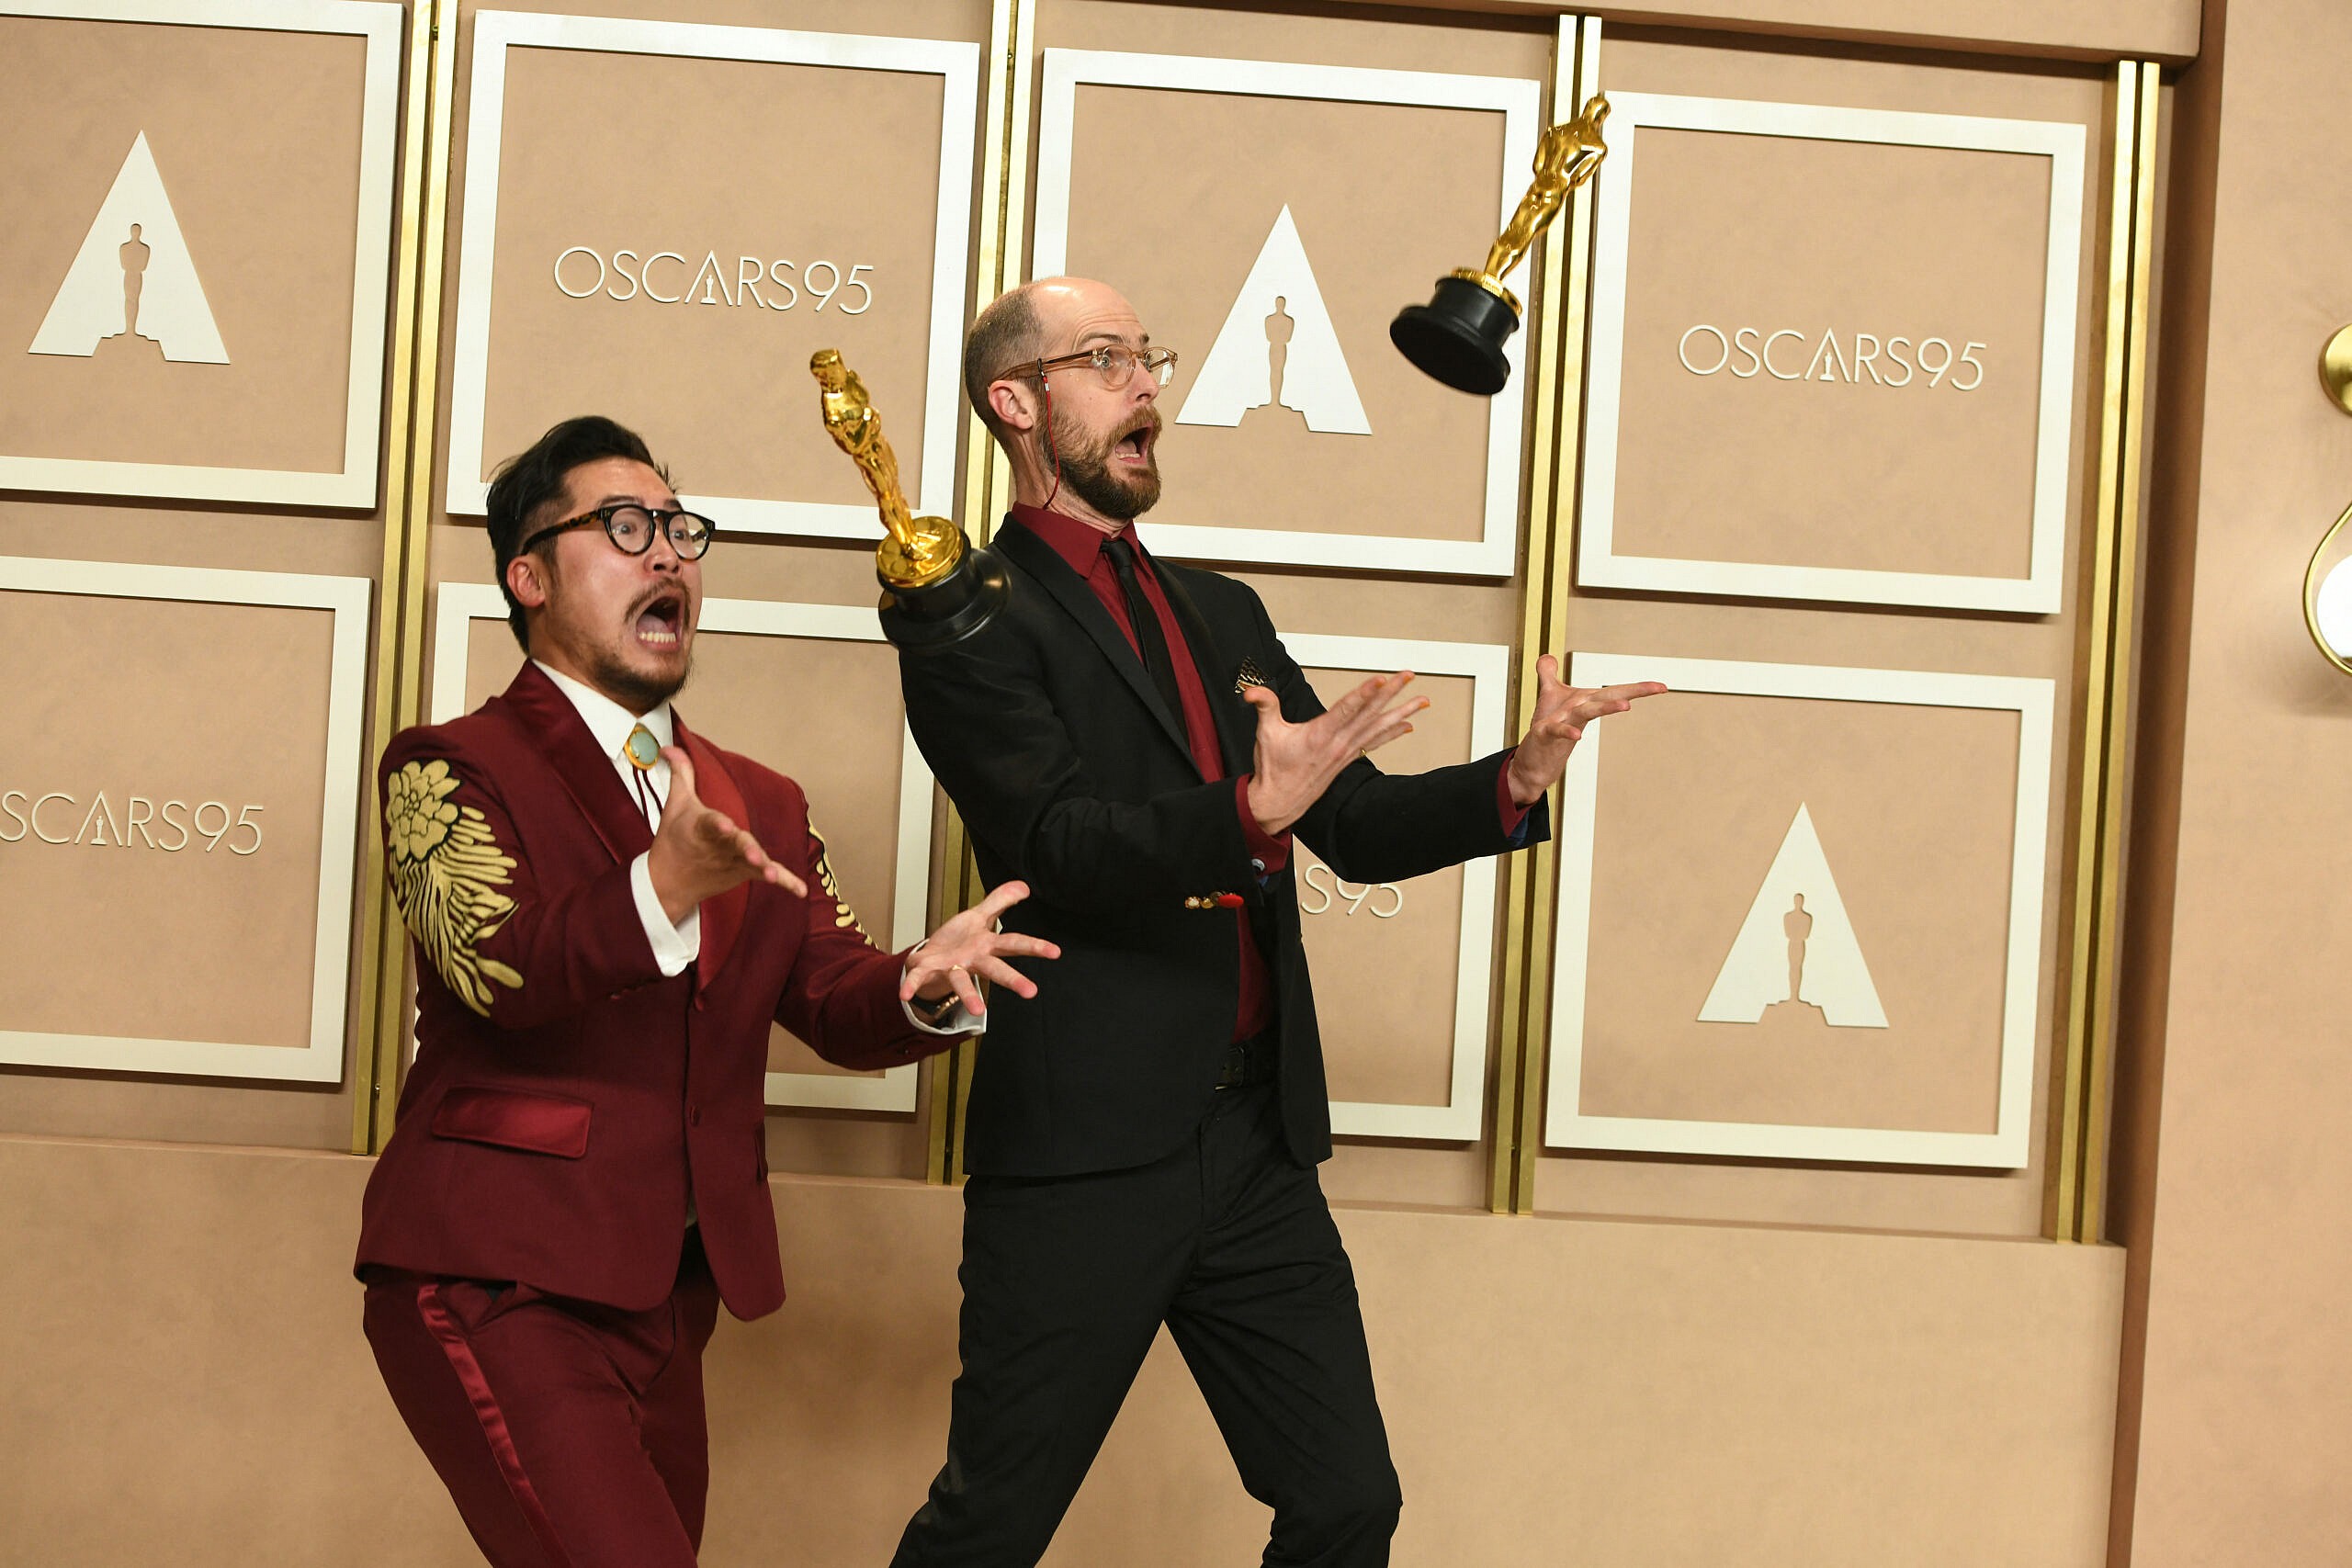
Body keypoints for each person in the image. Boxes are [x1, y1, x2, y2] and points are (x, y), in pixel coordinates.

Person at [888, 277, 1665, 1566]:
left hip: (1254, 1139)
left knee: (1348, 1498)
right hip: (1089, 1148)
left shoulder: (1220, 609)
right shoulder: (971, 615)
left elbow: (1347, 819)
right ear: (1013, 402)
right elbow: (1057, 847)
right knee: (992, 1523)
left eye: (1151, 358)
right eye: (1106, 359)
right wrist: (1248, 804)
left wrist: (1513, 778)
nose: (1148, 385)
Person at [356, 415, 1056, 1567]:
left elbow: (830, 991)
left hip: (672, 1296)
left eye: (681, 530)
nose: (668, 553)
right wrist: (659, 883)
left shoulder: (756, 799)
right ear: (527, 576)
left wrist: (923, 986)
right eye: (623, 529)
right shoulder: (448, 762)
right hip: (489, 1272)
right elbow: (496, 966)